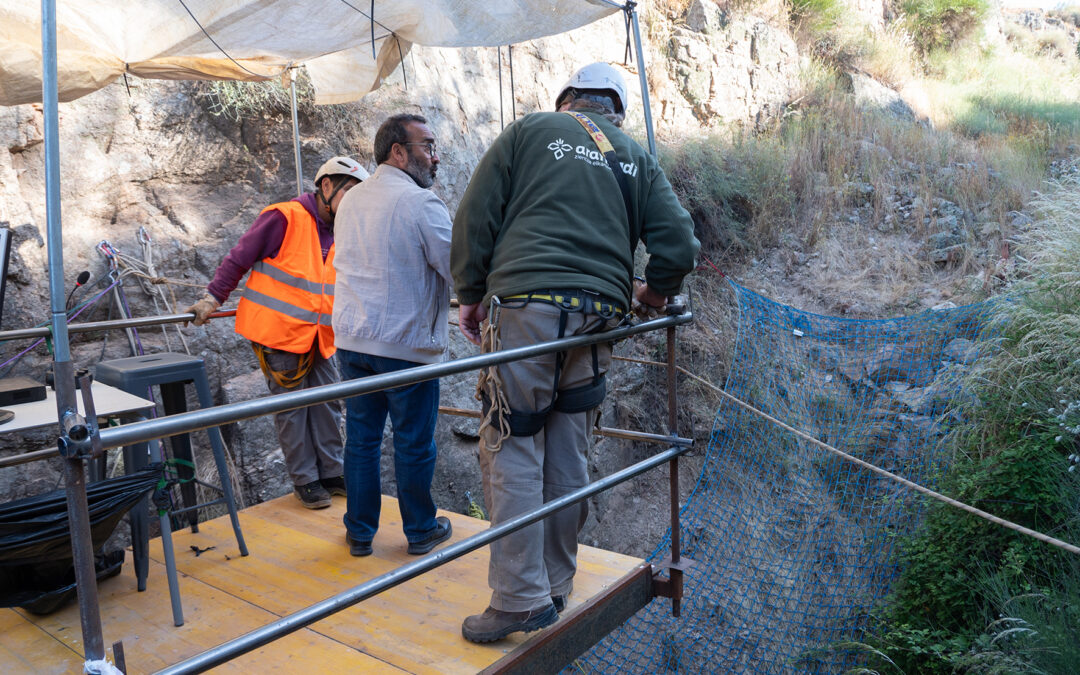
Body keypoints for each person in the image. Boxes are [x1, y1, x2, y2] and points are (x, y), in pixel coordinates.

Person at [451, 62, 700, 643]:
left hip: (527, 310)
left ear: (567, 99)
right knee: (568, 448)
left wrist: (470, 293)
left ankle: (519, 599)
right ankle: (556, 585)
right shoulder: (635, 156)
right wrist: (653, 292)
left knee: (513, 446)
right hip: (598, 321)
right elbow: (679, 244)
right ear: (616, 111)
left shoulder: (529, 131)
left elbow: (476, 217)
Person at [186, 156, 367, 509]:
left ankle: (332, 472)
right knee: (292, 410)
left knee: (328, 404)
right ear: (326, 186)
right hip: (281, 334)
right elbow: (239, 258)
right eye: (351, 193)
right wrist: (212, 299)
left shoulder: (342, 229)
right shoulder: (284, 217)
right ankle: (306, 480)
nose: (355, 204)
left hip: (319, 337)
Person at [332, 114, 455, 558]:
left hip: (352, 341)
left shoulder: (350, 200)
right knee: (413, 442)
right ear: (398, 152)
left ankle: (359, 532)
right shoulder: (421, 203)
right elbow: (457, 267)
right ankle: (420, 530)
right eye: (428, 146)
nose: (435, 157)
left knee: (362, 440)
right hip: (405, 345)